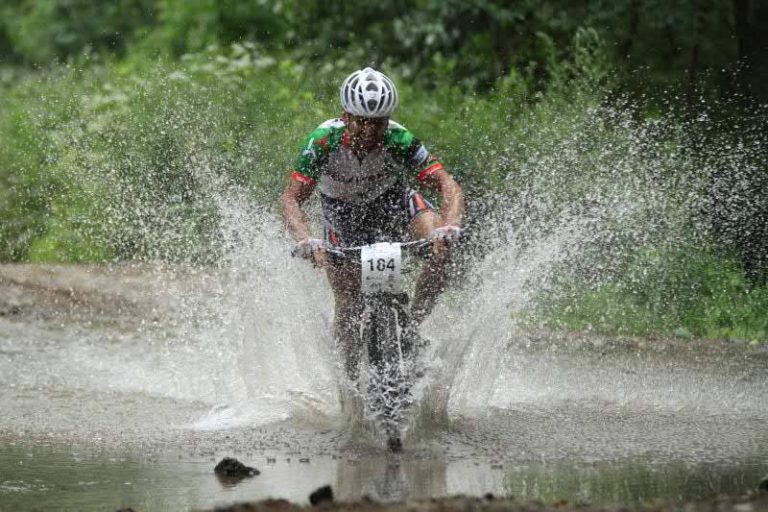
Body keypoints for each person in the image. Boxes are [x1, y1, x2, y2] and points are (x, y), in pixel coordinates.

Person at [281, 67, 464, 381]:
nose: (369, 131)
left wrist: (448, 227)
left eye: (378, 122)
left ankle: (412, 324)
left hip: (392, 204)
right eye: (362, 121)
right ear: (345, 116)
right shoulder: (324, 140)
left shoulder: (398, 138)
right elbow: (290, 199)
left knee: (438, 241)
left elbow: (448, 185)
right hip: (342, 214)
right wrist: (306, 240)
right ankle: (348, 380)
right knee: (348, 301)